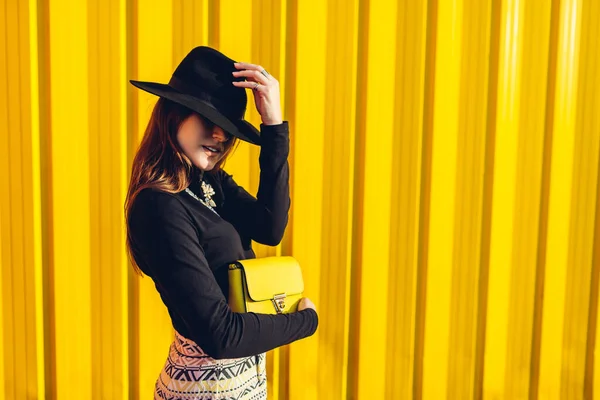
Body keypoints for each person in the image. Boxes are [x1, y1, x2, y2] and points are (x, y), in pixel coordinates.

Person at [125, 46, 318, 399]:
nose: (219, 136)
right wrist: (305, 321)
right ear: (174, 113)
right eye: (207, 118)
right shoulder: (158, 207)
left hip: (239, 386)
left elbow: (270, 228)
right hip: (203, 391)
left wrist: (274, 128)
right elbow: (220, 335)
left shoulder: (207, 183)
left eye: (227, 128)